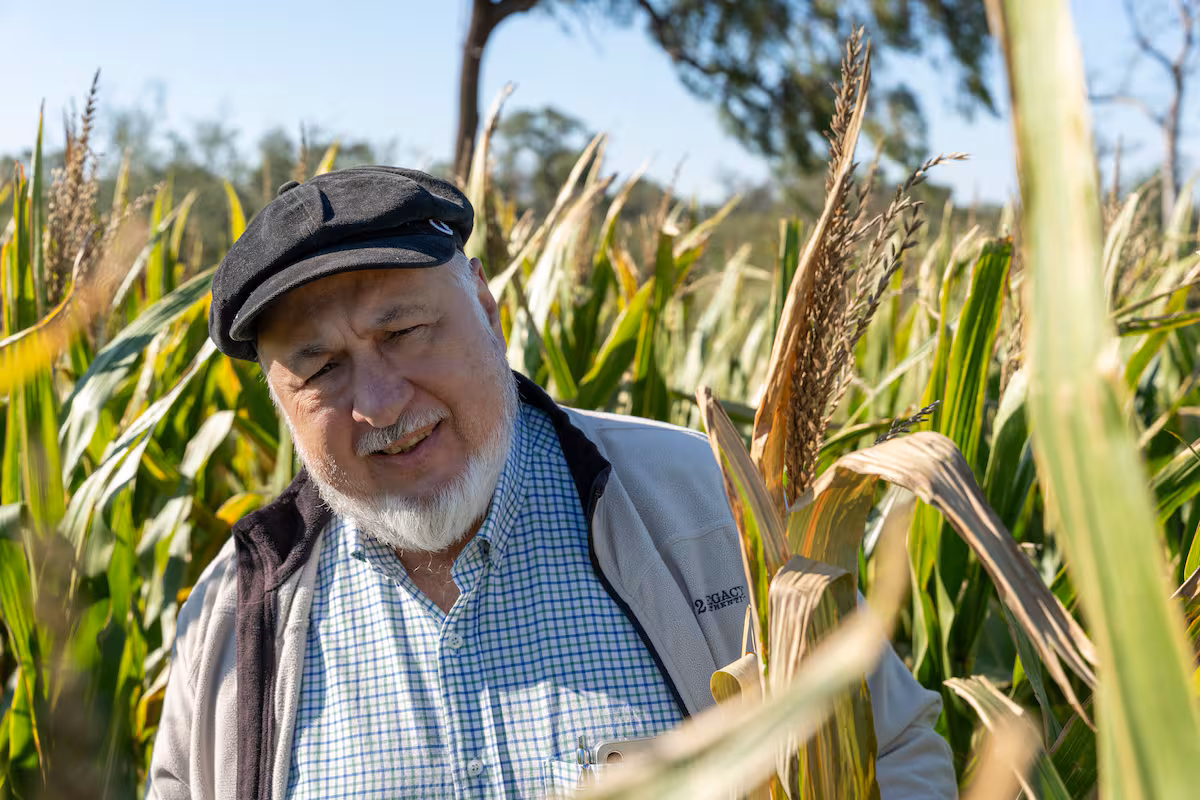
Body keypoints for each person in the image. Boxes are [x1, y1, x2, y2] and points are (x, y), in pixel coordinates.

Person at [146, 166, 956, 799]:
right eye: (320, 368)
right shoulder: (231, 617)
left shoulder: (708, 504)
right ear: (280, 404)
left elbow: (889, 750)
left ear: (488, 310)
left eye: (405, 330)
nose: (381, 403)